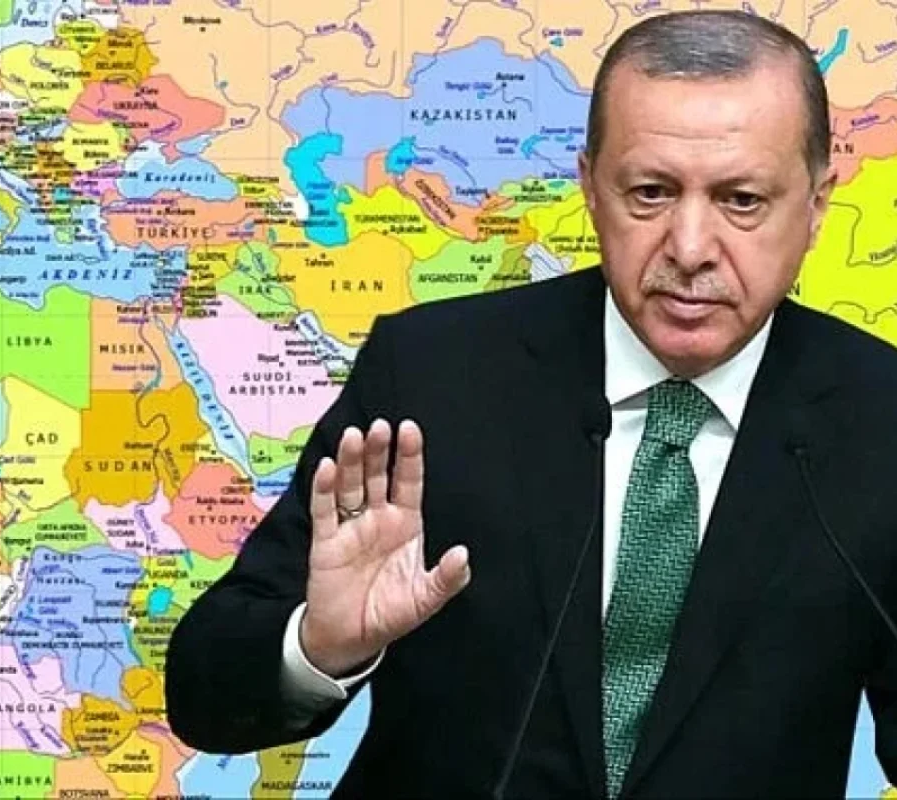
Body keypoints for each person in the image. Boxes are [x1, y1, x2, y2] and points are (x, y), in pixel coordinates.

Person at [165, 9, 897, 798]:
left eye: (742, 200)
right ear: (590, 187)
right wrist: (320, 644)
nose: (689, 248)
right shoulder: (434, 375)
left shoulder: (881, 420)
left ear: (817, 204)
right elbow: (204, 695)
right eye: (650, 192)